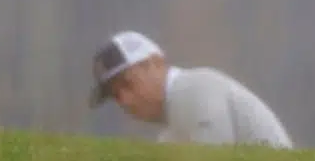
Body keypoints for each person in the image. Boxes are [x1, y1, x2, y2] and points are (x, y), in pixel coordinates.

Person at [88, 30, 294, 149]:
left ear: (155, 63)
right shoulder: (173, 124)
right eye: (115, 95)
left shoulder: (195, 89)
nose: (124, 100)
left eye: (127, 84)